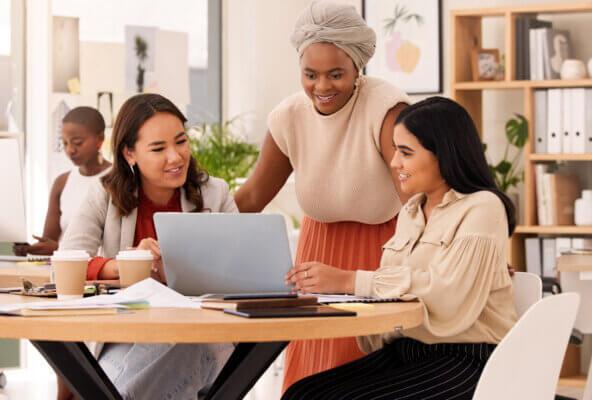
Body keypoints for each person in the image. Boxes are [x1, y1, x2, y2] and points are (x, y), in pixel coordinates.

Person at [282, 96, 518, 400]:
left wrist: (349, 281)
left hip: (470, 359)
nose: (394, 163)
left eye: (406, 152)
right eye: (395, 151)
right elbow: (396, 288)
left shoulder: (483, 207)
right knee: (301, 393)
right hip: (408, 349)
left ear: (444, 154)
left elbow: (448, 297)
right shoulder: (410, 213)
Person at [234, 0, 410, 390]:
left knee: (359, 379)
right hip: (316, 259)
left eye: (336, 74)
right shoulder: (288, 116)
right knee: (310, 377)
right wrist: (193, 228)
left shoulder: (385, 107)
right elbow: (251, 198)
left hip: (381, 255)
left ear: (358, 68)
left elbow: (416, 195)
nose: (322, 86)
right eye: (310, 74)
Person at [57, 93, 235, 400]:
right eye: (158, 148)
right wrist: (128, 264)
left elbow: (241, 267)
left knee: (130, 385)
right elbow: (67, 262)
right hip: (129, 334)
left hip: (202, 334)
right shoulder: (104, 194)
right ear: (129, 153)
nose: (176, 157)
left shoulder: (215, 193)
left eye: (181, 142)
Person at [13, 106, 111, 256]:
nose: (70, 150)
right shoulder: (62, 182)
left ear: (100, 139)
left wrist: (59, 248)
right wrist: (31, 248)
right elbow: (50, 240)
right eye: (64, 143)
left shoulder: (118, 179)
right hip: (67, 269)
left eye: (77, 143)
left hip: (103, 272)